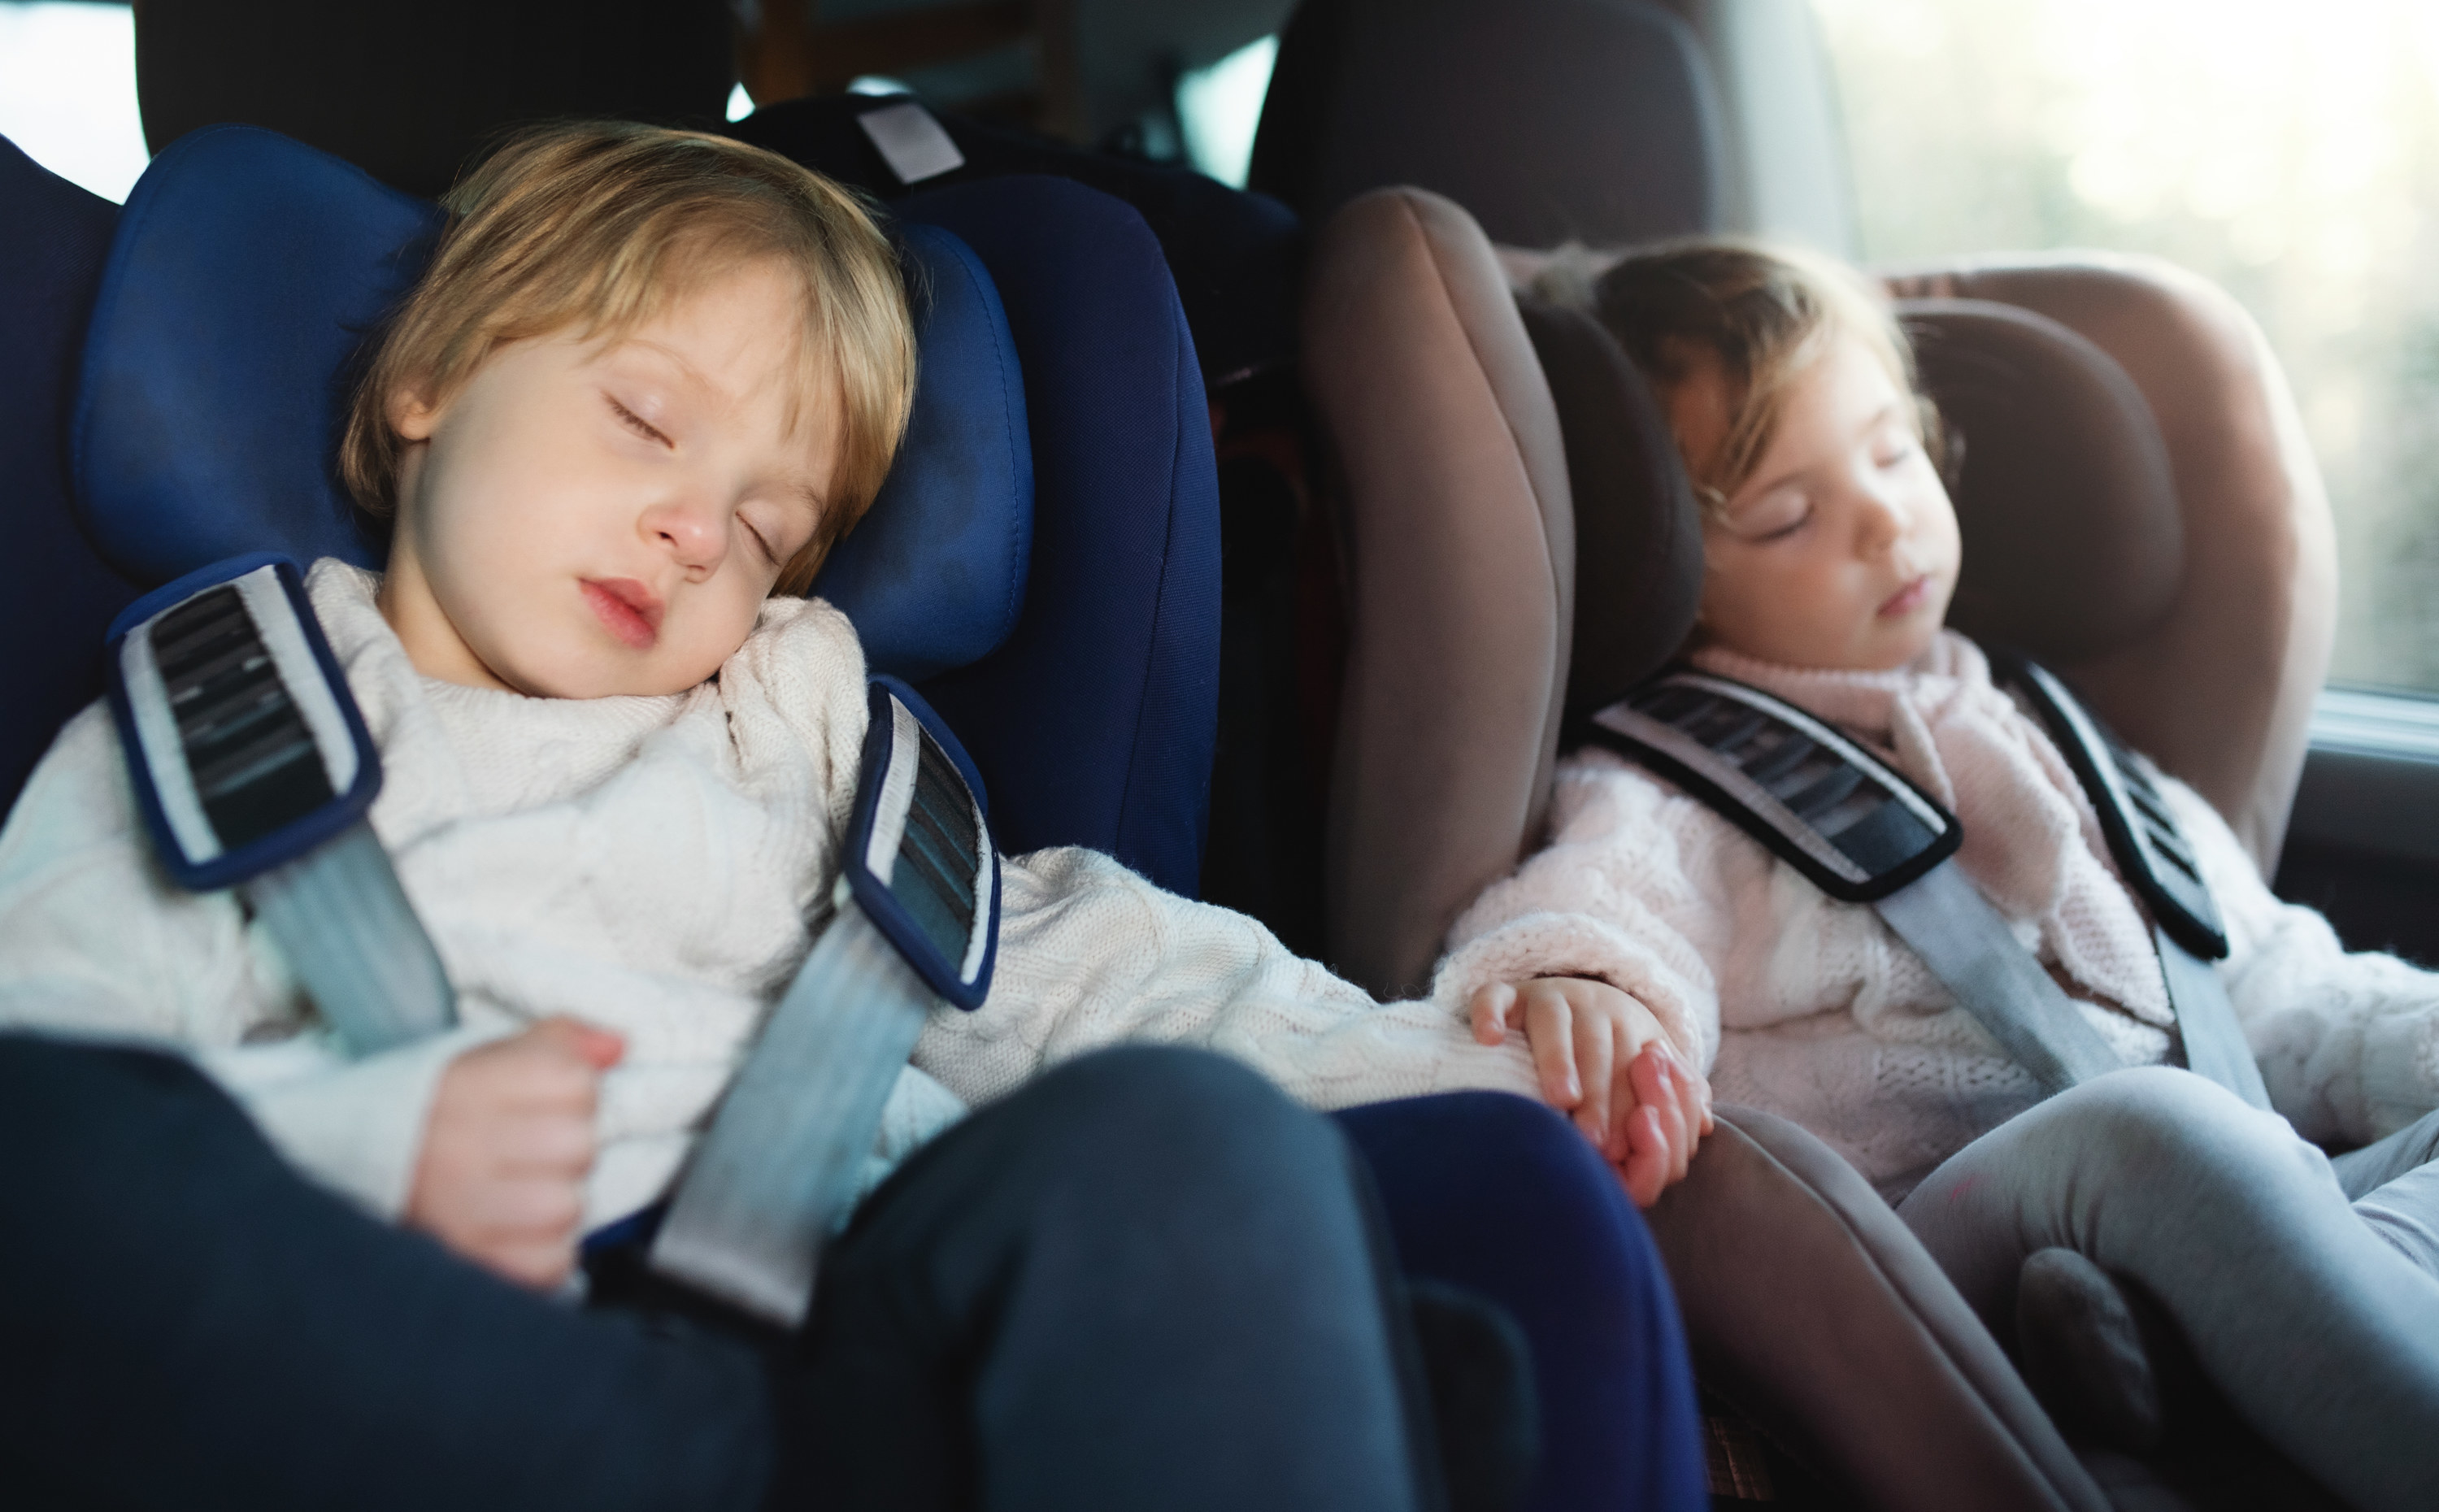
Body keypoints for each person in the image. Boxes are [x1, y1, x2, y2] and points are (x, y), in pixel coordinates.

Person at [0, 122, 1705, 1509]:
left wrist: (1480, 1059)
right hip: (428, 1358)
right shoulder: (225, 715)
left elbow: (1107, 975)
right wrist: (358, 1145)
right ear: (426, 384)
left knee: (1194, 1138)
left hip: (845, 1324)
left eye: (766, 526)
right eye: (645, 418)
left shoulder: (805, 741)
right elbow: (57, 1060)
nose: (690, 528)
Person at [1434, 238, 2439, 1511]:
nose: (1883, 518)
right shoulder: (1672, 783)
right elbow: (1601, 907)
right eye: (1792, 514)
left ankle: (2189, 1353)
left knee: (2251, 1138)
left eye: (1895, 452)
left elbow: (2282, 987)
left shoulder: (2056, 734)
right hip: (1943, 1258)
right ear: (1675, 580)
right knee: (2158, 1136)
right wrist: (1586, 985)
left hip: (2218, 1206)